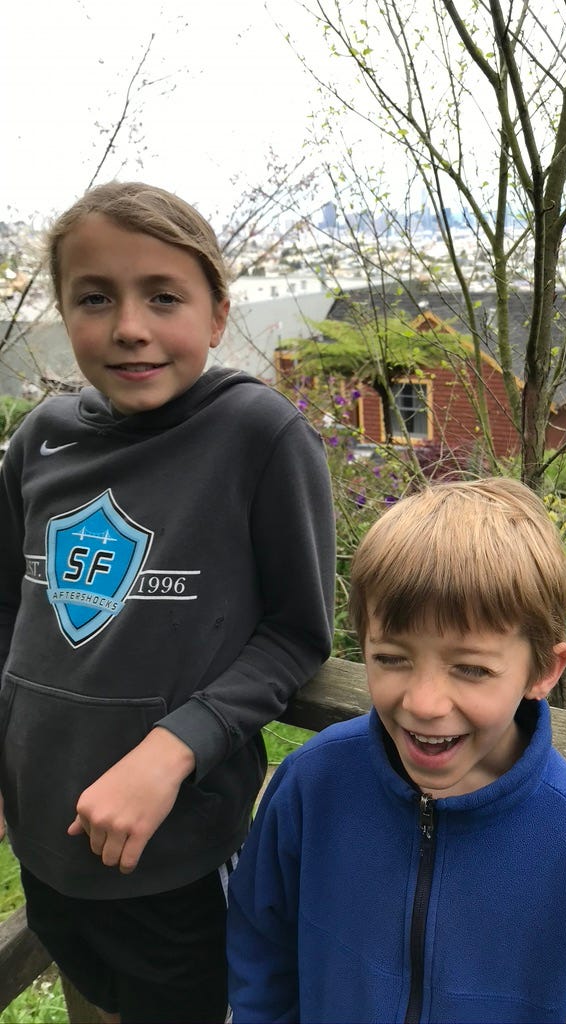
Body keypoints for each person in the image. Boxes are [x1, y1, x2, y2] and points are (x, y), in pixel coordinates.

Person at [0, 181, 336, 1024]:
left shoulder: (256, 437)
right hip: (43, 845)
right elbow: (9, 615)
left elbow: (297, 635)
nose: (129, 327)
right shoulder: (41, 438)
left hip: (175, 854)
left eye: (163, 296)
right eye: (94, 298)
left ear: (218, 314)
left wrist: (173, 747)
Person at [227, 477, 566, 1024]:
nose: (423, 703)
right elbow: (261, 946)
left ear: (543, 670)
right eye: (392, 658)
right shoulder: (313, 784)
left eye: (471, 668)